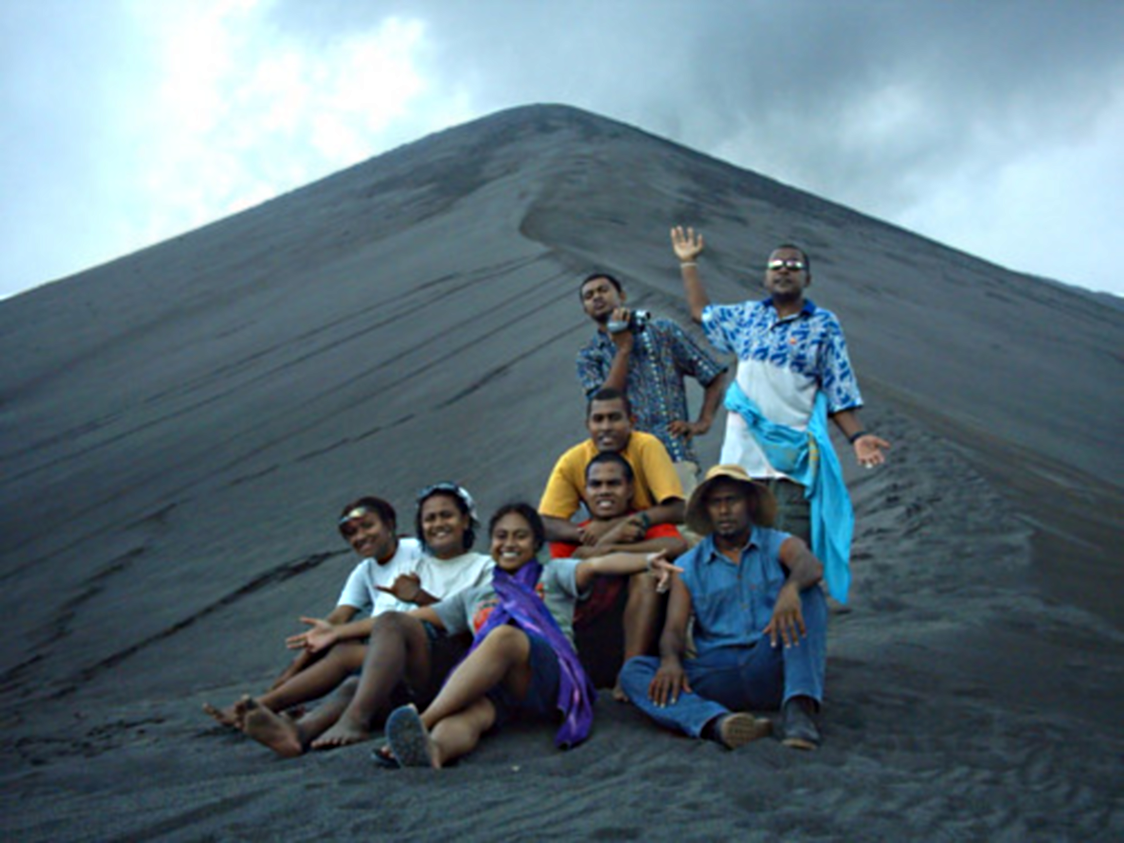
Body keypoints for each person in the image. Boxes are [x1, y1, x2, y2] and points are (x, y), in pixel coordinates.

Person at [670, 227, 891, 603]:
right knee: (738, 558)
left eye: (793, 265)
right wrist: (688, 263)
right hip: (741, 467)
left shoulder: (823, 325)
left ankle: (791, 629)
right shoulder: (748, 317)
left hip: (792, 467)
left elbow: (838, 389)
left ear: (808, 278)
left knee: (787, 558)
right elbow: (700, 313)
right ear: (765, 276)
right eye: (776, 265)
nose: (784, 269)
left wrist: (857, 437)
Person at [377, 502, 682, 769]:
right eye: (501, 536)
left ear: (536, 543)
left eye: (520, 536)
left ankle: (422, 721)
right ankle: (433, 751)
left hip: (550, 676)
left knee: (504, 637)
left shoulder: (554, 573)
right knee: (469, 712)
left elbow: (597, 564)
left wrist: (646, 561)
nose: (509, 543)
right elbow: (413, 618)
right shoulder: (475, 595)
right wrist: (351, 630)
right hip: (501, 685)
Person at [230, 483, 492, 755]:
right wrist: (330, 637)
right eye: (429, 518)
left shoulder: (484, 567)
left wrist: (418, 596)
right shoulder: (413, 566)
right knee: (353, 684)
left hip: (453, 668)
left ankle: (355, 720)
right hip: (410, 673)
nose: (437, 524)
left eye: (446, 515)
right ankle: (298, 732)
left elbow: (471, 623)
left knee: (387, 626)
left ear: (466, 520)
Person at [620, 464, 827, 750]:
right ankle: (718, 723)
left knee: (809, 594)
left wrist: (790, 589)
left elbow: (810, 564)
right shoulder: (688, 566)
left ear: (749, 503)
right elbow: (674, 630)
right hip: (718, 672)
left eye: (732, 500)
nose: (724, 510)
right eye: (715, 503)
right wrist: (670, 661)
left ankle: (799, 709)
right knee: (634, 671)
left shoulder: (777, 543)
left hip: (771, 661)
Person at [203, 495, 430, 728]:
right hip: (389, 655)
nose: (360, 536)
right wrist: (292, 670)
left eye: (368, 526)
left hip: (422, 652)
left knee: (344, 653)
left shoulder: (417, 550)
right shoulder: (365, 572)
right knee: (341, 646)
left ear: (389, 524)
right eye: (351, 533)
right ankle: (283, 711)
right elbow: (335, 621)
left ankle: (263, 706)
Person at [550, 452, 687, 697]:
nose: (604, 491)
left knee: (646, 574)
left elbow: (676, 545)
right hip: (586, 640)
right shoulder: (572, 535)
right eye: (596, 485)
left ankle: (629, 675)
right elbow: (561, 578)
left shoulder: (642, 523)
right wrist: (608, 540)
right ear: (585, 492)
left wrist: (611, 548)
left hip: (642, 639)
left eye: (613, 484)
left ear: (630, 489)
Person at [576, 272, 727, 492]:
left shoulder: (662, 331)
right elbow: (603, 406)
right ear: (585, 309)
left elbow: (713, 373)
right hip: (624, 468)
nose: (597, 297)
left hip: (673, 456)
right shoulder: (589, 356)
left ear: (622, 296)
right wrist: (623, 350)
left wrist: (703, 422)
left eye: (603, 290)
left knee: (682, 513)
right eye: (589, 296)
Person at [539, 387, 685, 548]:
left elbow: (678, 509)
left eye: (614, 418)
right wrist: (589, 535)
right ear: (588, 425)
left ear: (631, 422)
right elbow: (545, 523)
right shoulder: (571, 460)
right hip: (598, 542)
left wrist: (618, 525)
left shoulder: (646, 446)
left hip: (651, 534)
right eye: (598, 419)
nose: (606, 427)